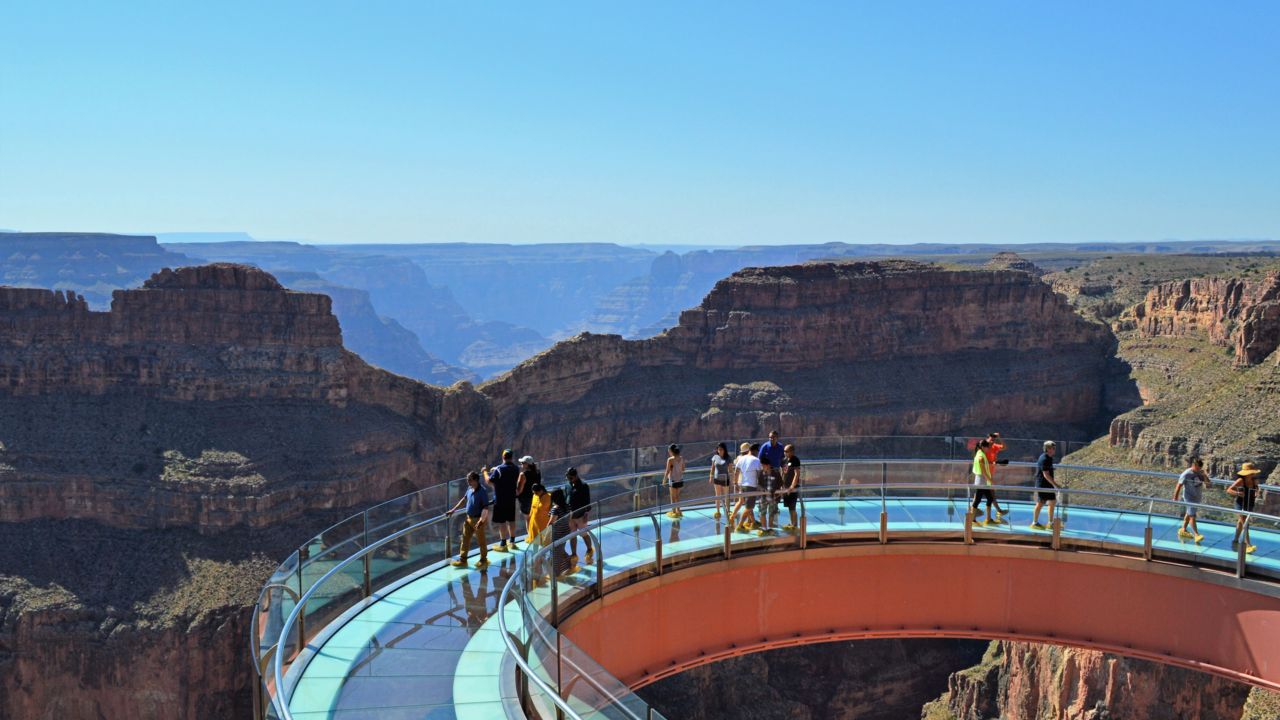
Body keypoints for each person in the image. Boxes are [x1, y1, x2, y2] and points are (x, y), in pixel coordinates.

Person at [446, 471, 491, 570]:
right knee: (465, 539)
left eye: (470, 480)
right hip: (469, 519)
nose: (468, 482)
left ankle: (483, 560)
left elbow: (485, 508)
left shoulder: (482, 492)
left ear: (476, 480)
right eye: (467, 480)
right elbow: (464, 499)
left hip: (478, 519)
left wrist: (481, 521)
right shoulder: (469, 489)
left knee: (481, 541)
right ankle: (463, 560)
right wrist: (453, 510)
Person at [485, 449, 521, 552]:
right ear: (511, 457)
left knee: (502, 522)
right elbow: (506, 471)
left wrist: (484, 472)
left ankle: (503, 543)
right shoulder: (515, 468)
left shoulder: (499, 470)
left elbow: (489, 481)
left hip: (500, 500)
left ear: (503, 457)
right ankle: (513, 542)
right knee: (511, 520)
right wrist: (496, 469)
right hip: (511, 499)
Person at [1227, 462, 1263, 553]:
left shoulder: (1254, 481)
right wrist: (1238, 493)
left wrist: (1257, 492)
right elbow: (1229, 490)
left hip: (1250, 503)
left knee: (1241, 521)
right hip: (1240, 503)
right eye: (1251, 472)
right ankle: (1248, 545)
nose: (1253, 474)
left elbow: (1257, 488)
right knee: (1245, 523)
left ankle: (1235, 539)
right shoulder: (1240, 481)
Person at [1173, 456, 1209, 542]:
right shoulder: (1186, 474)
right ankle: (1196, 534)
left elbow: (1208, 485)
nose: (1198, 469)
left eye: (1200, 467)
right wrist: (1175, 497)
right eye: (1197, 467)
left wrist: (1204, 475)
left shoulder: (1200, 473)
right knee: (1192, 515)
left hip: (1197, 497)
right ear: (1193, 465)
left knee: (1189, 513)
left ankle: (1183, 529)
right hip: (1189, 497)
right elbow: (1179, 485)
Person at [731, 442, 762, 532]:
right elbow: (759, 474)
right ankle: (740, 525)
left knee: (748, 505)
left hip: (742, 485)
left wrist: (735, 483)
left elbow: (736, 471)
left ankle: (753, 522)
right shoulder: (756, 460)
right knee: (749, 507)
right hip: (751, 486)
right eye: (757, 451)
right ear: (755, 451)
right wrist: (761, 485)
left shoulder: (741, 459)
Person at [566, 467, 595, 565]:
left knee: (584, 534)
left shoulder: (584, 485)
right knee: (572, 536)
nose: (569, 480)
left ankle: (589, 549)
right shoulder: (567, 485)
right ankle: (574, 554)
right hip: (570, 516)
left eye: (570, 478)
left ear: (575, 476)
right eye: (568, 477)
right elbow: (566, 498)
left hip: (581, 516)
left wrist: (586, 514)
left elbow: (587, 501)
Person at [1030, 441, 1060, 530]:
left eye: (1054, 448)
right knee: (1040, 503)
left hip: (1047, 485)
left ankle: (1050, 523)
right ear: (1047, 449)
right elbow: (1046, 474)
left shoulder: (1049, 458)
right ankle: (1034, 523)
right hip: (1043, 485)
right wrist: (1056, 485)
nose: (1053, 450)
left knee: (1052, 502)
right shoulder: (1045, 459)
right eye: (1051, 448)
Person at [548, 488, 575, 577]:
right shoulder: (568, 506)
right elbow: (570, 518)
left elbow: (551, 522)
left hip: (557, 533)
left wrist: (545, 533)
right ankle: (569, 563)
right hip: (565, 531)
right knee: (560, 549)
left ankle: (556, 573)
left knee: (556, 554)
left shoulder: (555, 509)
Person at [983, 432, 1010, 518]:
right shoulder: (983, 446)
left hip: (990, 473)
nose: (992, 441)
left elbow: (1005, 447)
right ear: (987, 439)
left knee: (989, 494)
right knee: (988, 494)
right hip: (984, 473)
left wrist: (999, 438)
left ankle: (997, 511)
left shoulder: (994, 446)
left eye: (994, 440)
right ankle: (997, 511)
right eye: (991, 439)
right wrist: (993, 462)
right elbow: (982, 460)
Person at [971, 439, 997, 525]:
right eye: (987, 447)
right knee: (977, 500)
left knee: (990, 498)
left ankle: (988, 519)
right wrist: (991, 481)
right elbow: (983, 472)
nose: (988, 449)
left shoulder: (980, 453)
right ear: (983, 447)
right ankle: (972, 520)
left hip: (983, 481)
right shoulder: (981, 456)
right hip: (981, 482)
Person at [780, 443, 803, 532]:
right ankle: (792, 523)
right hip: (785, 487)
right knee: (789, 507)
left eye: (787, 451)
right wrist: (782, 485)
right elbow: (782, 473)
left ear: (792, 451)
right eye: (784, 451)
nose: (785, 453)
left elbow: (797, 474)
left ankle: (795, 525)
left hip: (792, 488)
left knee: (792, 507)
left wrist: (792, 487)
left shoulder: (795, 460)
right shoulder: (783, 460)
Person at [709, 442, 732, 520]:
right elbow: (712, 468)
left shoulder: (728, 458)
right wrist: (710, 476)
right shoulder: (715, 457)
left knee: (726, 496)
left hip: (725, 479)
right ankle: (718, 511)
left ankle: (727, 511)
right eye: (718, 449)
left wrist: (731, 478)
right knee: (718, 495)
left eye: (721, 449)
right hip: (717, 479)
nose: (720, 451)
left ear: (724, 450)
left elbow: (730, 469)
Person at [516, 455, 540, 526]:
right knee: (535, 519)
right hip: (536, 498)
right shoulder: (538, 472)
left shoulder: (523, 475)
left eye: (523, 463)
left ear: (527, 464)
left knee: (528, 520)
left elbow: (519, 491)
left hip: (526, 501)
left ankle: (531, 536)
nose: (521, 464)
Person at [663, 444, 686, 518]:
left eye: (669, 451)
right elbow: (683, 469)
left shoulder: (670, 459)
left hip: (672, 480)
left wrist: (664, 480)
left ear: (671, 451)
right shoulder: (681, 458)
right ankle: (678, 511)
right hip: (680, 480)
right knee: (678, 496)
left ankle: (673, 512)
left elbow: (667, 471)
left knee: (672, 496)